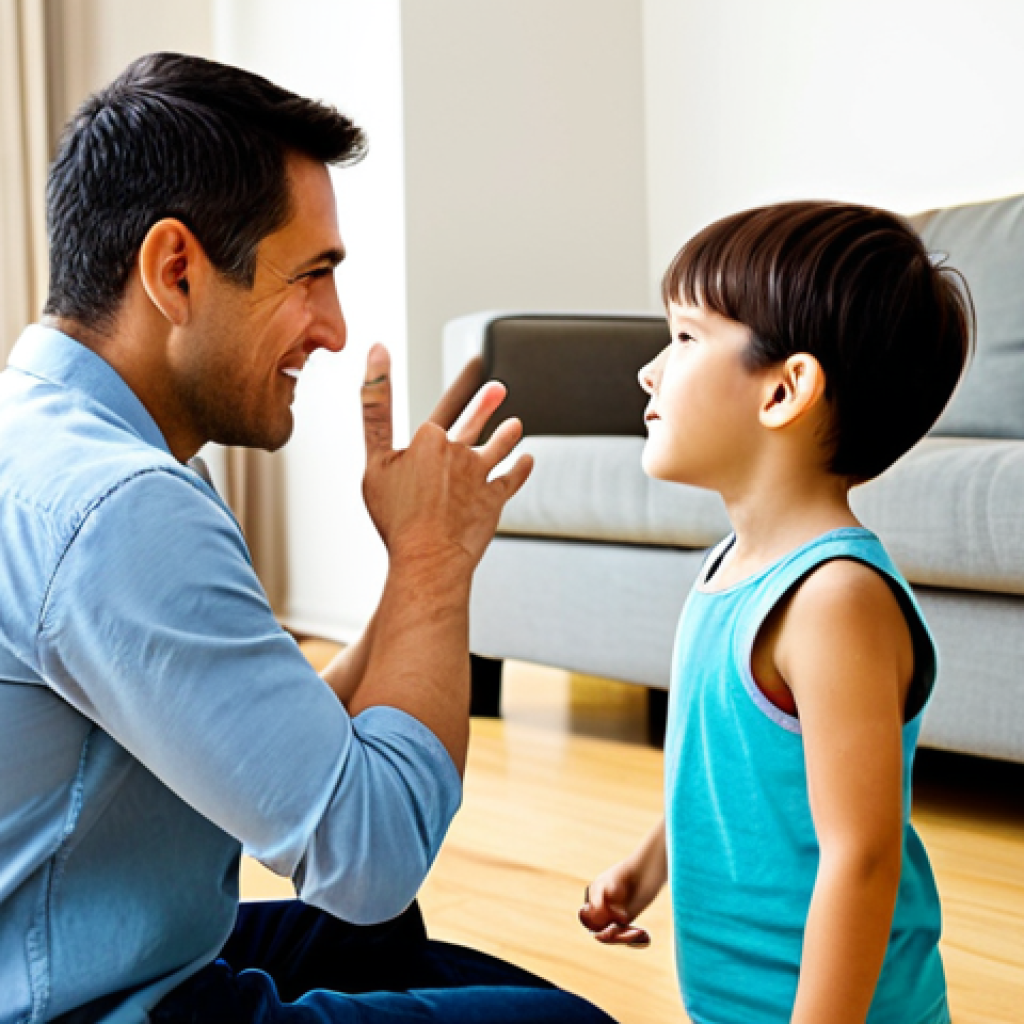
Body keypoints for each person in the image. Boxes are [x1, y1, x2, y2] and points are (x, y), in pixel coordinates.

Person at [0, 52, 616, 1024]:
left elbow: (276, 750)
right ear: (175, 270)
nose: (331, 329)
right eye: (311, 275)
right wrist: (432, 565)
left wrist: (413, 561)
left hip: (55, 936)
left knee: (384, 941)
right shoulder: (121, 508)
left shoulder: (49, 445)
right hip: (80, 1005)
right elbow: (368, 854)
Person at [579, 201, 973, 1024]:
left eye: (685, 339)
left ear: (785, 389)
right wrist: (649, 866)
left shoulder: (835, 598)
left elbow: (861, 857)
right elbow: (728, 769)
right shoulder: (730, 569)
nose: (651, 370)